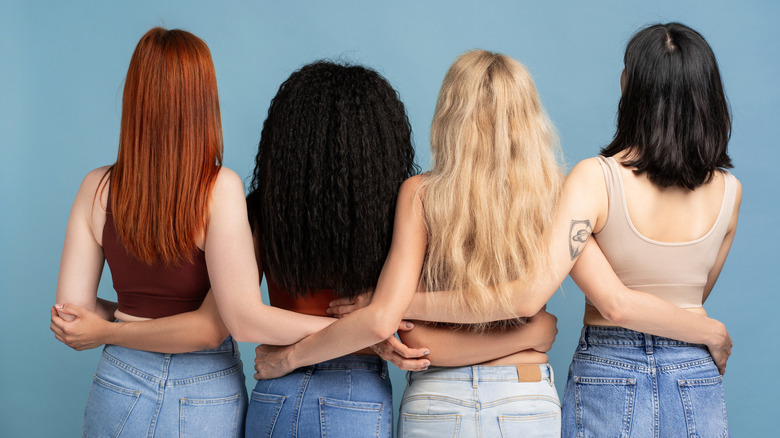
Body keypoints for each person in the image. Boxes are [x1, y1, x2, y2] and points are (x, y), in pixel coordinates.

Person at [320, 45, 736, 436]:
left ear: (448, 114)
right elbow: (604, 299)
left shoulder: (422, 194)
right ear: (529, 116)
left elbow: (414, 340)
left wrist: (390, 304)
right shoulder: (560, 192)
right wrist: (528, 334)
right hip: (526, 394)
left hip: (436, 397)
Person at [52, 28, 336, 437]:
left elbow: (72, 314)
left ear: (135, 96)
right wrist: (353, 331)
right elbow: (212, 328)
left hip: (119, 378)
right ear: (203, 100)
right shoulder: (220, 189)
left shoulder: (96, 188)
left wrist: (113, 327)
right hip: (204, 387)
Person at [558, 23, 740, 437]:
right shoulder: (731, 192)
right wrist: (709, 330)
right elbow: (696, 295)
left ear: (628, 87)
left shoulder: (592, 179)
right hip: (695, 364)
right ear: (707, 94)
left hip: (608, 365)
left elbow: (615, 305)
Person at [242, 61, 422, 437]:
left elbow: (246, 316)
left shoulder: (263, 210)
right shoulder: (398, 216)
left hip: (277, 384)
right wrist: (368, 334)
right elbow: (401, 322)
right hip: (353, 390)